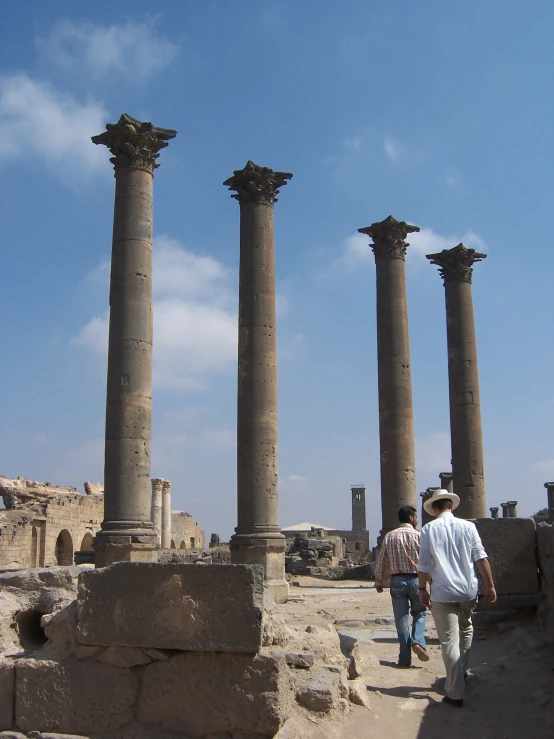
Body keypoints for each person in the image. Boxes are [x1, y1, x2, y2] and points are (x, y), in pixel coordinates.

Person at [418, 488, 496, 708]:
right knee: (467, 628)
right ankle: (462, 672)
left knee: (449, 641)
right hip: (468, 590)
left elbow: (424, 563)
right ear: (451, 505)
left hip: (442, 592)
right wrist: (490, 585)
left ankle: (455, 692)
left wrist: (422, 589)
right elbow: (481, 558)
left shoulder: (429, 529)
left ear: (434, 508)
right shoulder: (468, 527)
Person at [375, 505, 428, 668]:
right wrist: (430, 583)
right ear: (411, 517)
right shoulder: (419, 536)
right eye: (416, 516)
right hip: (416, 580)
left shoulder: (390, 536)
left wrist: (379, 581)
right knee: (420, 612)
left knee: (401, 620)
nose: (417, 519)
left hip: (396, 581)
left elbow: (382, 560)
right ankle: (418, 640)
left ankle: (405, 659)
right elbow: (427, 562)